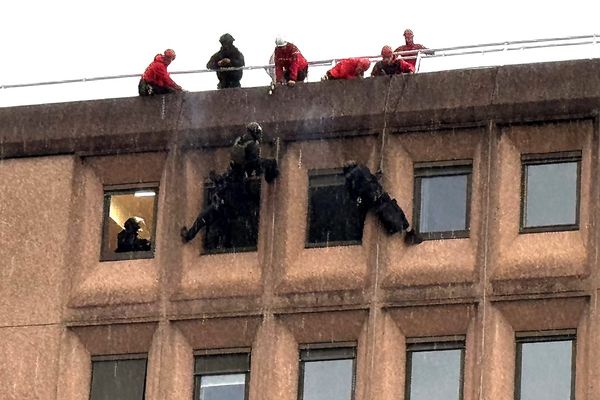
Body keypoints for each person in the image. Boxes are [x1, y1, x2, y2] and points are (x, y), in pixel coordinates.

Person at [180, 122, 278, 244]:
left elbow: (240, 165)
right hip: (234, 187)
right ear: (256, 133)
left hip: (230, 183)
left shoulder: (240, 141)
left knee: (208, 214)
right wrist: (266, 168)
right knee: (223, 213)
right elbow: (255, 165)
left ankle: (190, 235)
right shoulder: (252, 145)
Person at [343, 161, 423, 245]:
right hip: (377, 197)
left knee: (390, 210)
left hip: (375, 198)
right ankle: (405, 231)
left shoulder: (352, 178)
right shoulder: (359, 171)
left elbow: (358, 191)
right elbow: (368, 182)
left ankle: (404, 230)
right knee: (391, 210)